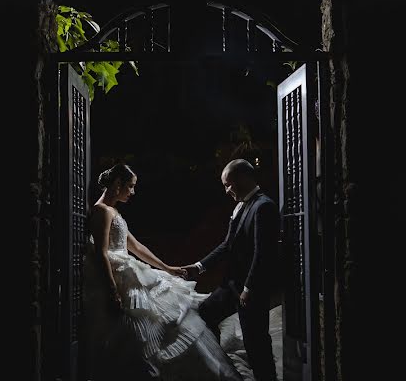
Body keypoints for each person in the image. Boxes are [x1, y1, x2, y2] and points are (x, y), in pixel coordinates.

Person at [83, 163, 243, 381]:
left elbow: (137, 247)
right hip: (119, 275)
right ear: (118, 184)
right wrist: (113, 291)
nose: (132, 192)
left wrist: (167, 268)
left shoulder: (113, 211)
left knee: (165, 322)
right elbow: (102, 252)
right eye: (130, 186)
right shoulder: (101, 211)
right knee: (138, 332)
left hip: (128, 268)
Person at [184, 159, 279, 381]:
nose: (227, 190)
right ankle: (218, 366)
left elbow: (262, 253)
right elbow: (227, 245)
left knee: (256, 344)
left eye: (229, 184)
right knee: (205, 313)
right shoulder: (241, 206)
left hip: (250, 289)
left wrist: (250, 288)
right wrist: (199, 266)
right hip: (231, 286)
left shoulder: (263, 206)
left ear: (244, 178)